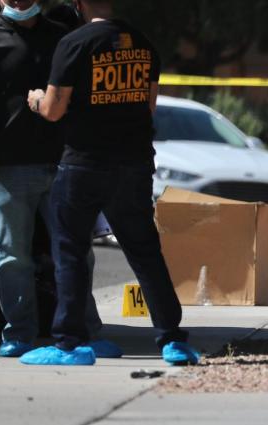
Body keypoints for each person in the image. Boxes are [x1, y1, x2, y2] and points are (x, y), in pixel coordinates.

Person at [24, 0, 199, 366]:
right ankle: (173, 340)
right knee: (144, 251)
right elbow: (148, 107)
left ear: (78, 3)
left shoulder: (74, 43)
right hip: (134, 164)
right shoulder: (142, 43)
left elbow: (55, 110)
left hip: (84, 164)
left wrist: (37, 100)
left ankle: (70, 344)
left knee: (69, 251)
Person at [0, 0, 108, 358]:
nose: (18, 2)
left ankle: (87, 332)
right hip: (9, 167)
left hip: (63, 163)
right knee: (12, 257)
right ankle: (19, 334)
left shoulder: (63, 38)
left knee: (76, 254)